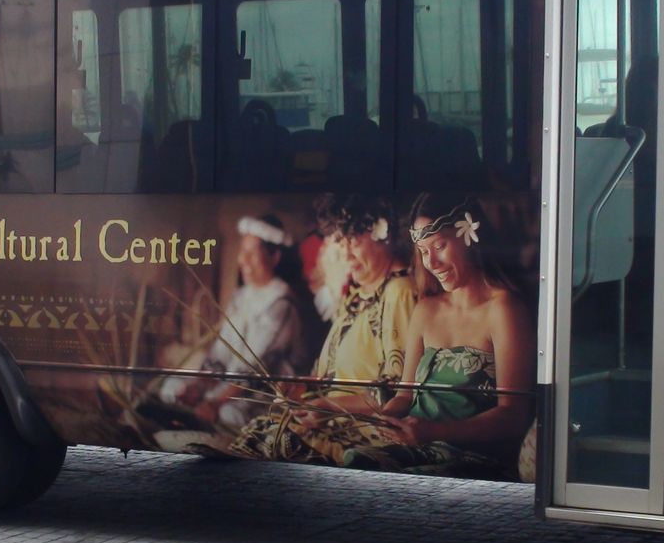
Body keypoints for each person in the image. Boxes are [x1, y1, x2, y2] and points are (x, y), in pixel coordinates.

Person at [340, 193, 535, 475]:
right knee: (355, 463)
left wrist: (435, 431)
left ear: (469, 236)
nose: (431, 262)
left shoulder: (504, 309)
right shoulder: (426, 309)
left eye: (439, 246)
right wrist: (387, 417)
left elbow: (513, 416)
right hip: (420, 445)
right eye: (423, 251)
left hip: (475, 457)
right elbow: (405, 396)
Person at [228, 194, 417, 461]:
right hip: (333, 423)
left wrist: (329, 406)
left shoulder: (400, 293)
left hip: (365, 434)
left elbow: (395, 393)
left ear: (381, 234)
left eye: (354, 242)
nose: (347, 255)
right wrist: (302, 387)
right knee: (259, 430)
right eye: (342, 242)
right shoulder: (358, 292)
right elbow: (333, 373)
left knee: (270, 441)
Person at [156, 215, 311, 429]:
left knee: (230, 414)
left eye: (251, 253)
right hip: (228, 386)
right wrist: (197, 386)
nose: (242, 260)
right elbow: (220, 354)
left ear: (274, 257)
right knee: (172, 388)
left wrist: (215, 402)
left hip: (263, 393)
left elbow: (257, 370)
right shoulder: (241, 297)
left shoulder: (281, 305)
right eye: (242, 251)